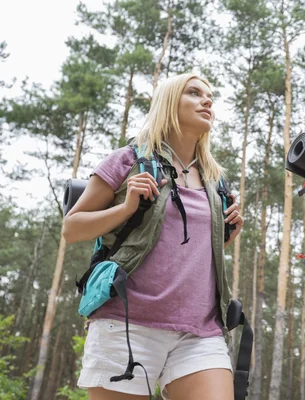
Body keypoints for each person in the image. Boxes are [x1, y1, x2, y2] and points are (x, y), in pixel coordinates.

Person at [62, 73, 243, 400]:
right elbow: (71, 228)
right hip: (125, 325)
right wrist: (125, 208)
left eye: (210, 96)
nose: (207, 101)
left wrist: (227, 231)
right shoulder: (128, 160)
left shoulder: (215, 180)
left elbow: (188, 249)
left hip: (199, 332)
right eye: (194, 92)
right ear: (169, 104)